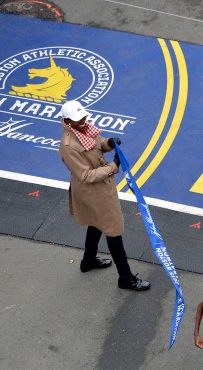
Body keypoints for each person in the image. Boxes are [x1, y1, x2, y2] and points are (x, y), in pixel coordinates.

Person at [58, 100, 150, 291]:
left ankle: (88, 261)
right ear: (67, 122)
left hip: (94, 189)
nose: (83, 120)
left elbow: (97, 142)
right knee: (113, 230)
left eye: (83, 116)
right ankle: (125, 277)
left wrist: (107, 143)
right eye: (78, 119)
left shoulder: (83, 130)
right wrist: (113, 167)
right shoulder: (68, 146)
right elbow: (86, 175)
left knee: (95, 223)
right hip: (95, 191)